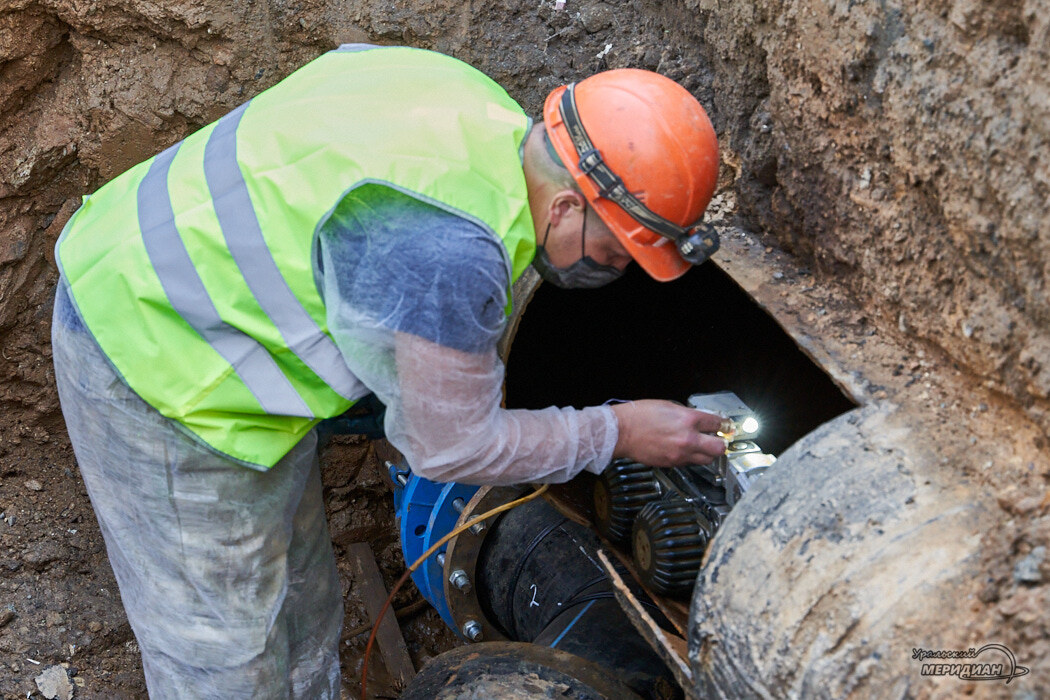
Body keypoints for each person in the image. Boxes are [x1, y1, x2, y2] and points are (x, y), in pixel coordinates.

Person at [51, 44, 725, 698]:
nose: (611, 271)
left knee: (303, 602)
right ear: (569, 205)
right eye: (615, 252)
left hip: (183, 285)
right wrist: (620, 431)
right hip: (151, 356)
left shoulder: (470, 104)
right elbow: (449, 447)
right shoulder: (451, 254)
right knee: (224, 653)